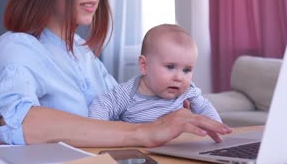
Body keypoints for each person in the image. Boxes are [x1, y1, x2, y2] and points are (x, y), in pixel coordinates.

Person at [0, 0, 231, 147]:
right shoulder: (17, 47)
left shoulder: (83, 52)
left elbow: (124, 108)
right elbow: (17, 123)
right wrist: (144, 133)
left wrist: (166, 118)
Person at [89, 24, 222, 123]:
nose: (179, 77)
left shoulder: (188, 92)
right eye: (170, 67)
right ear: (144, 65)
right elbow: (102, 105)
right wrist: (97, 135)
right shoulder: (128, 93)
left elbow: (205, 108)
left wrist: (219, 130)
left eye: (186, 70)